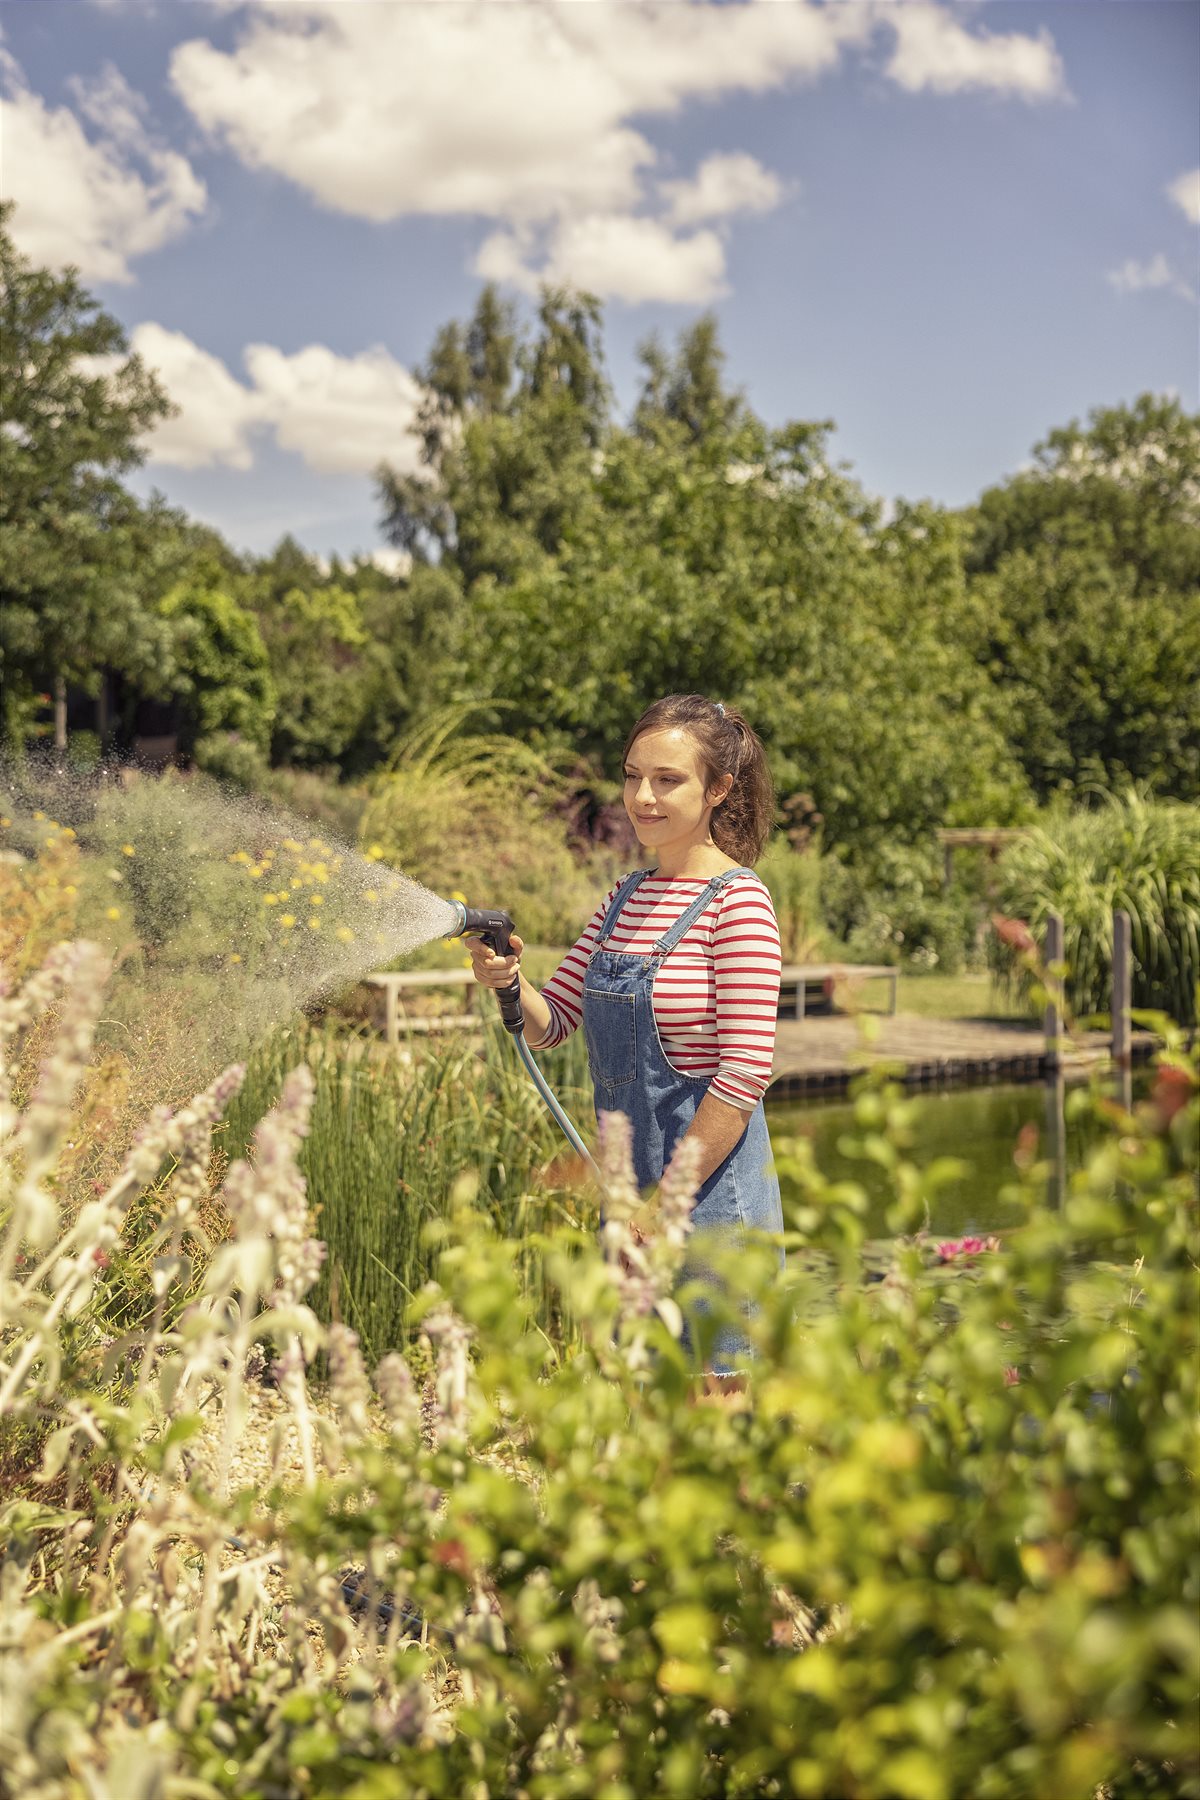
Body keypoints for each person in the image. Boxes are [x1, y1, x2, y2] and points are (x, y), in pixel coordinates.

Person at [468, 693, 784, 1405]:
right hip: (635, 1206)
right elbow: (558, 1022)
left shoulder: (740, 905)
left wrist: (657, 1213)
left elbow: (740, 1083)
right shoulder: (624, 896)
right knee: (647, 1422)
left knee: (715, 1424)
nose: (642, 796)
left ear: (719, 790)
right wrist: (509, 983)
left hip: (708, 1214)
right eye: (632, 775)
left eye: (667, 780)